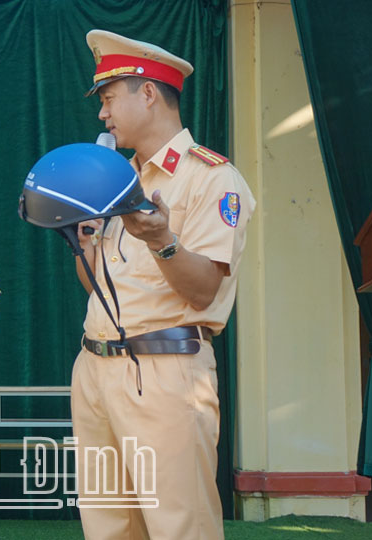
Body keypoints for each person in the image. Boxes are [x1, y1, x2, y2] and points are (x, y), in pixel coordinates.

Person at [71, 31, 255, 540]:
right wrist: (83, 237)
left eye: (109, 99)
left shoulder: (213, 179)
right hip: (95, 369)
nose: (103, 115)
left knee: (180, 525)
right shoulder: (113, 179)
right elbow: (96, 285)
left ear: (147, 93)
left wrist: (164, 240)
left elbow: (203, 292)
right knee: (108, 527)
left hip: (166, 369)